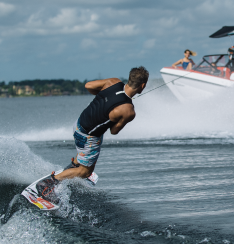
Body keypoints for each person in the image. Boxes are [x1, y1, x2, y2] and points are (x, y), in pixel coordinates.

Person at [34, 66, 149, 203]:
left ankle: (72, 167)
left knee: (85, 153)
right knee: (86, 172)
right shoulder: (128, 111)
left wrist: (103, 98)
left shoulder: (113, 82)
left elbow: (88, 85)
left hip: (78, 125)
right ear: (142, 86)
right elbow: (114, 131)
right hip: (88, 137)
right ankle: (48, 184)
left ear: (130, 78)